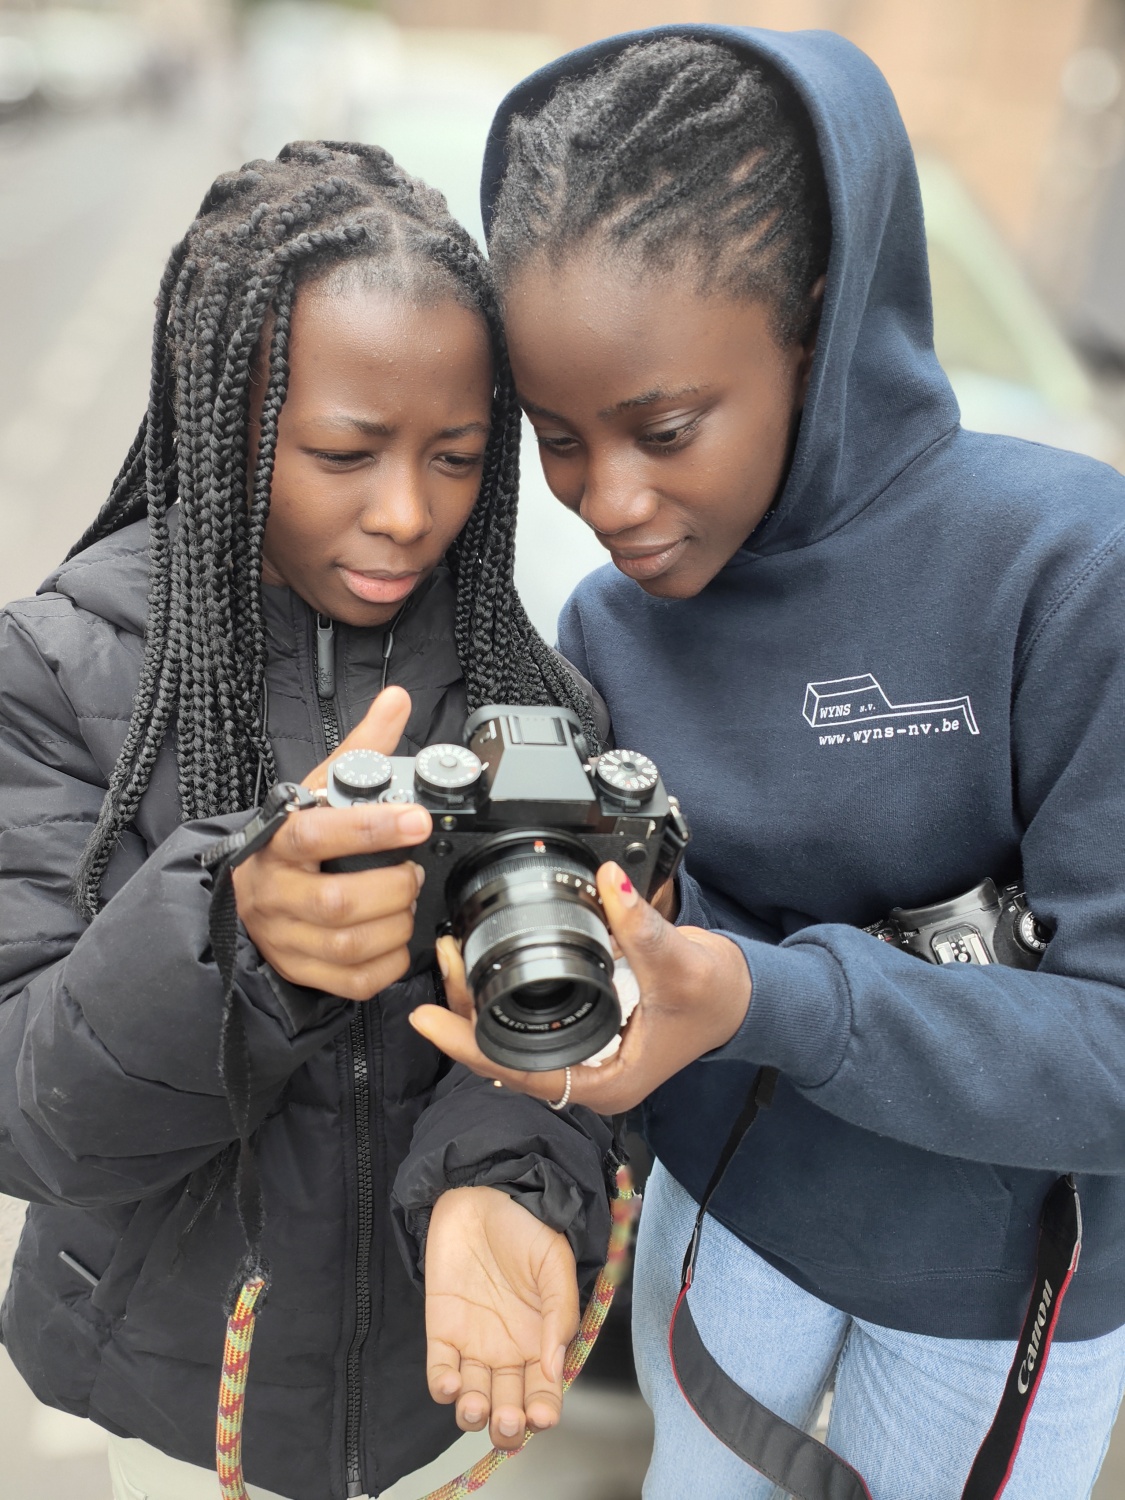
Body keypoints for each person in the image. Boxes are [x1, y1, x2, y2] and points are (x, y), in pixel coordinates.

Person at [413, 28, 1125, 1500]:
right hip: (722, 1239)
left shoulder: (1069, 571)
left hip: (998, 1308)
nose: (609, 502)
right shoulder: (609, 625)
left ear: (816, 319)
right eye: (555, 440)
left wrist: (760, 995)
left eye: (664, 429)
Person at [0, 141, 616, 1500]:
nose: (405, 515)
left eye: (457, 458)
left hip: (441, 1383)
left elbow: (569, 1024)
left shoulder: (535, 696)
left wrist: (501, 1185)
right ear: (223, 426)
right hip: (172, 1407)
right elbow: (23, 1107)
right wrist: (235, 937)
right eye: (345, 452)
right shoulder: (57, 671)